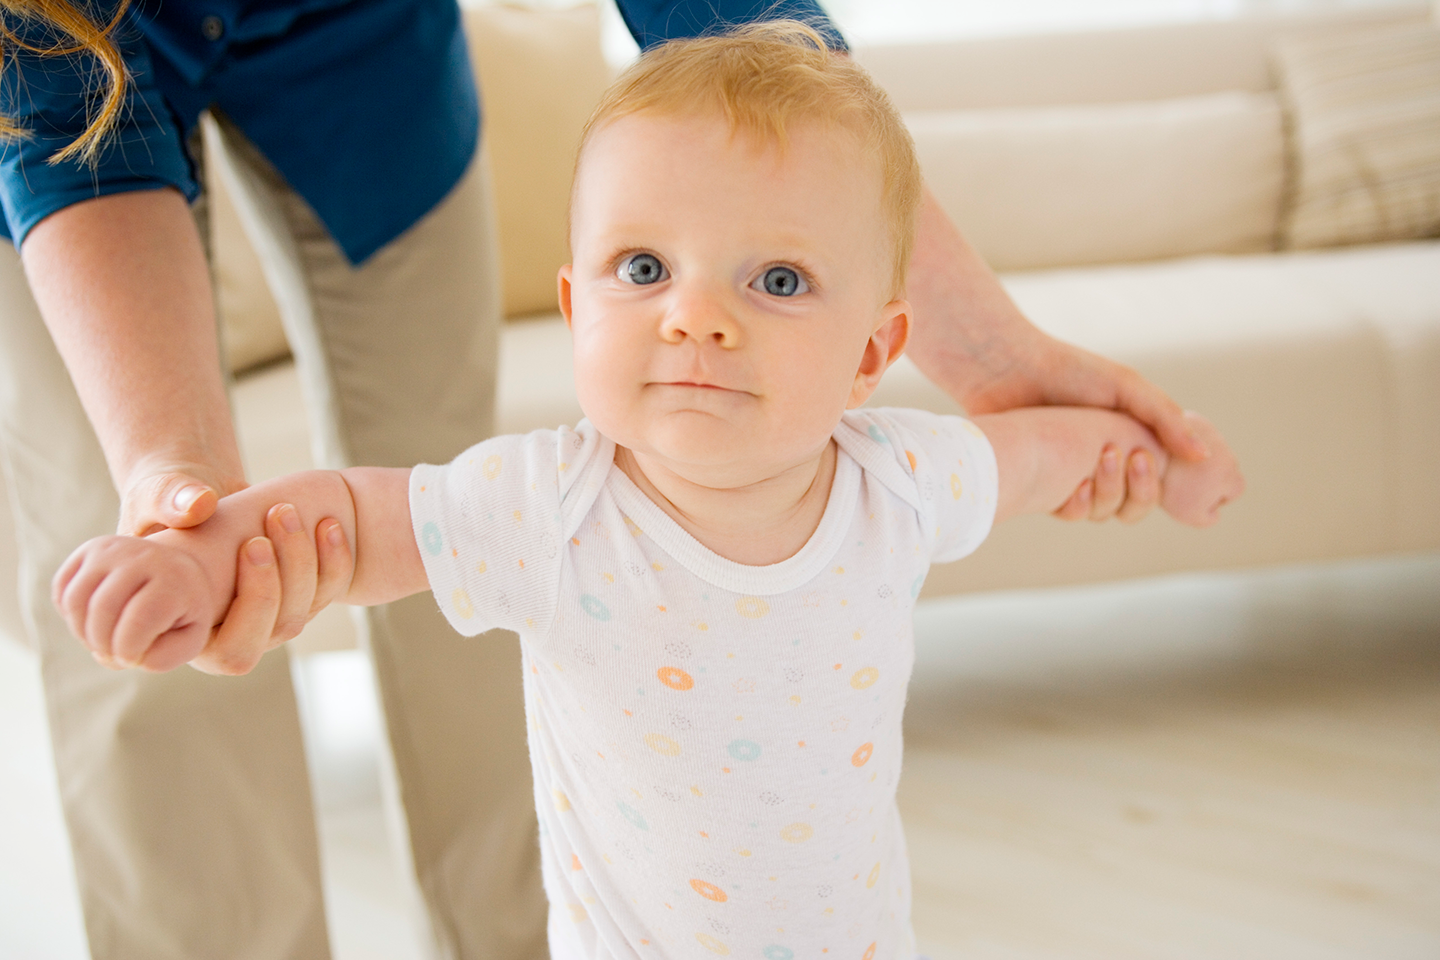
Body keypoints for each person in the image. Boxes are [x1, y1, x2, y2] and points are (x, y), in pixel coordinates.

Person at [52, 23, 1244, 956]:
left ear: (876, 354)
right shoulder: (546, 510)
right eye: (642, 268)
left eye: (776, 278)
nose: (694, 315)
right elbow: (355, 522)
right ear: (580, 310)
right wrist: (198, 545)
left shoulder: (903, 478)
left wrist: (1158, 463)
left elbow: (1046, 453)